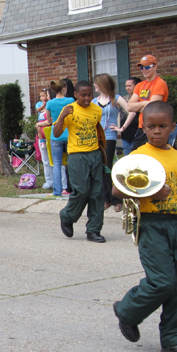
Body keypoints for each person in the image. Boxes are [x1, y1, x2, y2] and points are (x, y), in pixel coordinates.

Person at [112, 101, 177, 352]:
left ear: (173, 127)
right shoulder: (138, 156)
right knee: (162, 281)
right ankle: (128, 310)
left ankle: (176, 339)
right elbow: (117, 189)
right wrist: (151, 192)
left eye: (162, 126)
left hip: (176, 224)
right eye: (151, 126)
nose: (157, 131)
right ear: (144, 127)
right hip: (150, 224)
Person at [56, 81, 106, 243]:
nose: (87, 98)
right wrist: (62, 117)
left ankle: (94, 230)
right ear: (76, 94)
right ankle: (67, 216)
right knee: (82, 191)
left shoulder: (97, 110)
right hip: (77, 156)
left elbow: (97, 130)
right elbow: (56, 133)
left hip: (94, 154)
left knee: (97, 193)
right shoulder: (69, 110)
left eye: (90, 95)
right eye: (83, 95)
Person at [93, 73, 131, 212]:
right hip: (97, 137)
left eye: (96, 83)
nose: (94, 85)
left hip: (109, 136)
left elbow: (131, 111)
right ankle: (106, 198)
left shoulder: (116, 98)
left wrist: (121, 128)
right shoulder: (94, 101)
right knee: (100, 167)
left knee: (107, 165)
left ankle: (116, 199)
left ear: (102, 83)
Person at [127, 55, 169, 148]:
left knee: (154, 155)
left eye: (147, 67)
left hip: (155, 128)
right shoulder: (139, 85)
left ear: (155, 66)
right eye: (142, 68)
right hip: (142, 127)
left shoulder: (160, 83)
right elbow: (129, 107)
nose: (144, 70)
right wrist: (145, 103)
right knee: (136, 155)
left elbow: (152, 109)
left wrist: (138, 106)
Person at [43, 79, 76, 196]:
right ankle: (74, 188)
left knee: (57, 164)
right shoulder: (70, 100)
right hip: (69, 135)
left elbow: (49, 121)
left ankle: (57, 191)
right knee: (72, 163)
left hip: (56, 135)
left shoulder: (50, 103)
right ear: (64, 89)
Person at [34, 89, 53, 190]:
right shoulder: (39, 105)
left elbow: (51, 121)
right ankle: (48, 181)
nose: (42, 98)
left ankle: (56, 182)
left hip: (50, 135)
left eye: (44, 95)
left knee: (53, 160)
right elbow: (38, 110)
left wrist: (40, 124)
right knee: (45, 160)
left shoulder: (51, 105)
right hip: (41, 135)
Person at [118, 77, 142, 154]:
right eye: (126, 86)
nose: (127, 88)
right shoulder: (123, 99)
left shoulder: (141, 100)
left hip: (137, 133)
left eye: (130, 86)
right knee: (127, 157)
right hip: (125, 133)